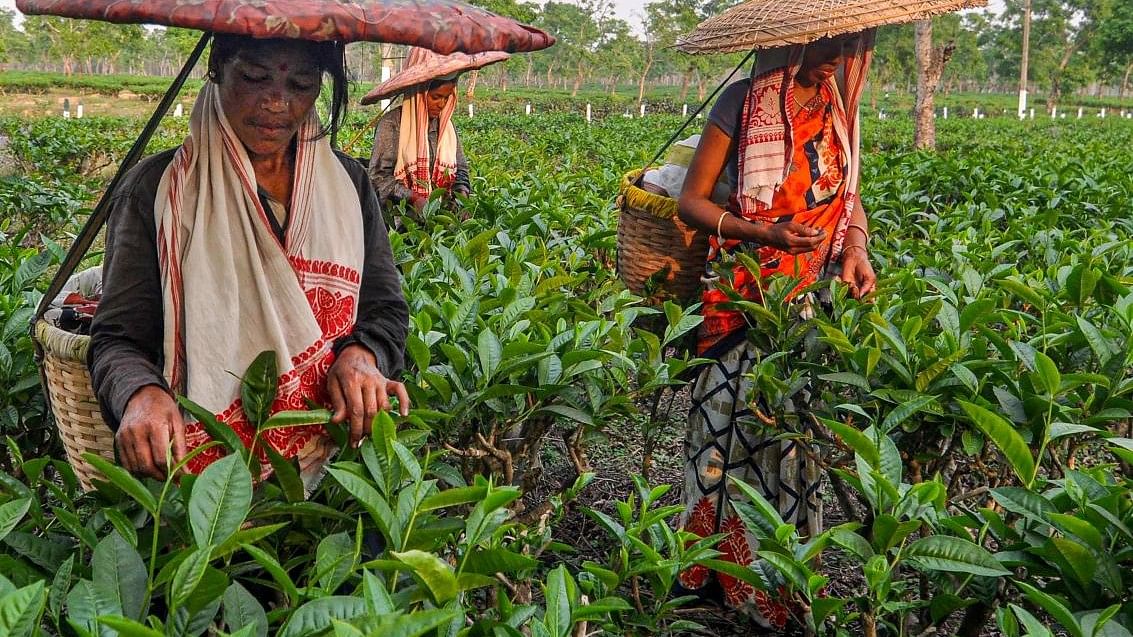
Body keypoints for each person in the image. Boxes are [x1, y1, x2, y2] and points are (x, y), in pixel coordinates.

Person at [88, 35, 410, 490]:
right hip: (201, 475)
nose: (277, 102)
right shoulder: (156, 191)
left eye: (300, 84)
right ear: (217, 67)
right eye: (255, 78)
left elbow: (385, 309)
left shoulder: (348, 184)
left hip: (334, 458)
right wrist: (141, 395)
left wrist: (364, 354)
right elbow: (117, 339)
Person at [674, 31, 877, 628]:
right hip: (743, 293)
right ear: (788, 44)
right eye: (826, 45)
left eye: (848, 47)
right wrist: (765, 234)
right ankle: (708, 573)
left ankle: (776, 583)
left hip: (806, 298)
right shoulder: (740, 102)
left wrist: (856, 249)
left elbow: (849, 195)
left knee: (788, 437)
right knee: (725, 427)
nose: (838, 58)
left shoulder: (838, 106)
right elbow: (692, 203)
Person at [365, 47, 507, 219]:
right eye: (436, 97)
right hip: (399, 222)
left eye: (446, 98)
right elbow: (378, 178)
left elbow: (461, 169)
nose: (441, 104)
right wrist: (413, 198)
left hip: (440, 220)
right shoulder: (392, 124)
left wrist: (461, 195)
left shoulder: (446, 127)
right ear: (419, 93)